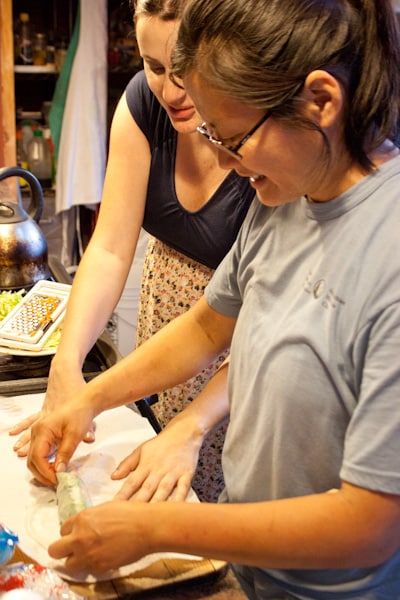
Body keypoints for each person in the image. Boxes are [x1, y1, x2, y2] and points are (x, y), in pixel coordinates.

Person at [25, 0, 400, 597]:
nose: (223, 160)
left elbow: (370, 523)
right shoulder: (289, 196)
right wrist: (86, 398)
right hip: (255, 574)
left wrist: (158, 529)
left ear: (321, 101)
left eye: (235, 138)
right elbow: (206, 328)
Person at [10, 0, 253, 503]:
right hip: (167, 340)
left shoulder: (262, 139)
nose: (168, 89)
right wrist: (68, 369)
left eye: (184, 69)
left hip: (242, 368)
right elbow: (111, 250)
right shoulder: (145, 103)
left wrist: (191, 425)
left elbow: (261, 321)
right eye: (154, 66)